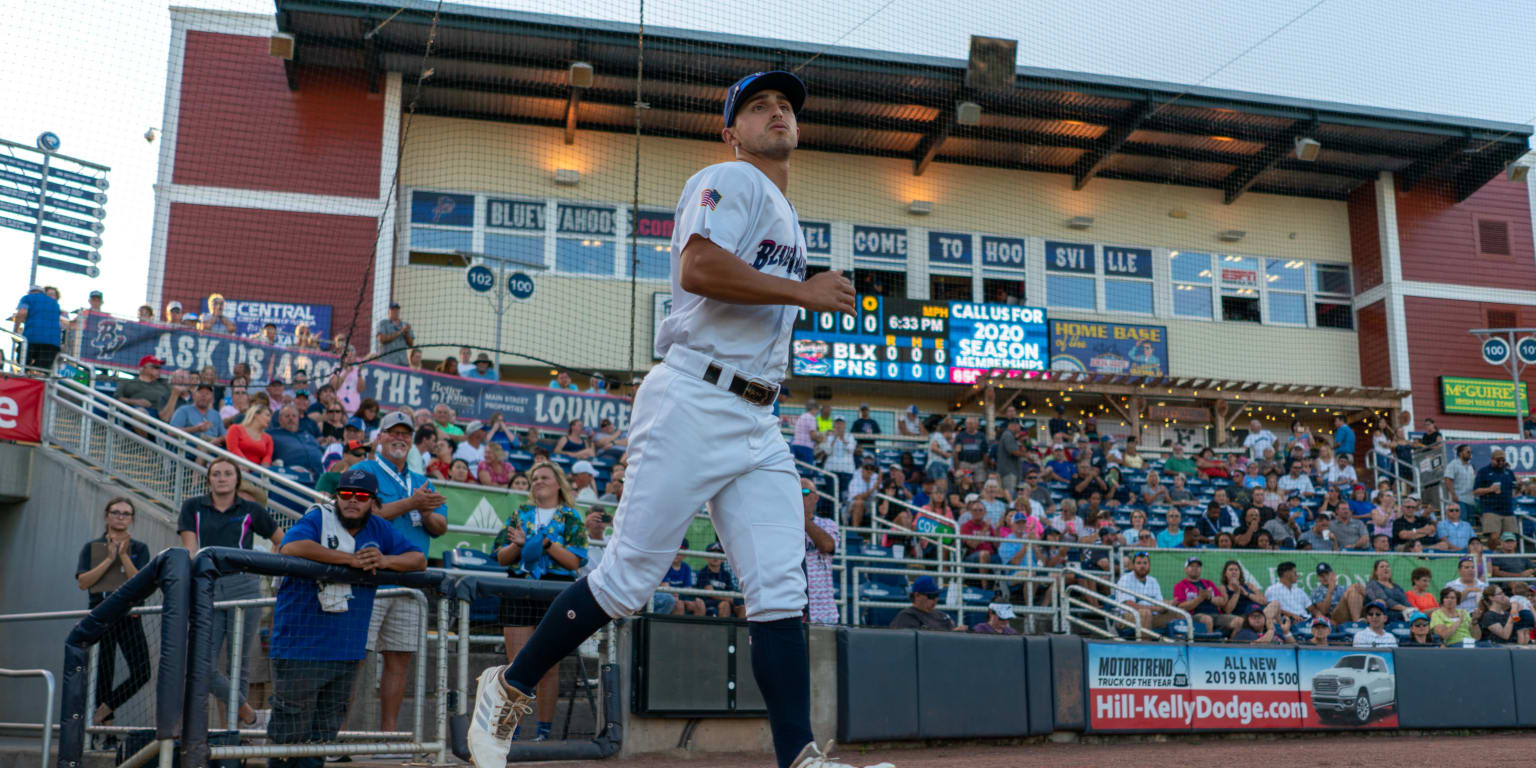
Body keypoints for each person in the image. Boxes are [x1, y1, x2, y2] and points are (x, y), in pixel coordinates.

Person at [468, 70, 868, 768]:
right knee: (626, 581)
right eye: (758, 106)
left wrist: (792, 297)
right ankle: (508, 686)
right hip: (694, 395)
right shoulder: (730, 179)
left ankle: (800, 757)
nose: (777, 113)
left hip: (758, 420)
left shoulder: (784, 214)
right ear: (730, 131)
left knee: (780, 589)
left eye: (785, 106)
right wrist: (801, 289)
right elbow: (699, 268)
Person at [267, 469, 426, 768]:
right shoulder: (318, 517)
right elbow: (292, 546)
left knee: (322, 737)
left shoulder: (379, 527)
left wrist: (385, 561)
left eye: (362, 496)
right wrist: (352, 560)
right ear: (336, 496)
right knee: (287, 739)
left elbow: (418, 559)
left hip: (346, 650)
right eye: (346, 494)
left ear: (373, 502)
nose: (353, 500)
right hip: (299, 648)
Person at [352, 411, 448, 736]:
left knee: (399, 658)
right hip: (369, 577)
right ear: (379, 437)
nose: (400, 438)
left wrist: (424, 508)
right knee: (354, 657)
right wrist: (412, 503)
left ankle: (388, 737)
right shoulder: (364, 471)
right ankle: (333, 736)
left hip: (410, 583)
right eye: (393, 432)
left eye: (405, 434)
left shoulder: (422, 481)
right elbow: (366, 512)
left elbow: (440, 527)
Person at [178, 459, 282, 726]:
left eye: (227, 474)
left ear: (237, 479)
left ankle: (233, 733)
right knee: (201, 664)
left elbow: (282, 541)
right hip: (207, 586)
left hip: (243, 585)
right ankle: (248, 714)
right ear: (208, 479)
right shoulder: (193, 507)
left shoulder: (250, 509)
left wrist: (265, 569)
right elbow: (190, 551)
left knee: (239, 663)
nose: (221, 478)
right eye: (216, 474)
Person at [491, 461, 588, 741]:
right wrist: (519, 545)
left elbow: (574, 561)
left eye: (544, 477)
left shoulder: (571, 517)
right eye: (534, 478)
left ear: (558, 483)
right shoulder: (520, 513)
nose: (538, 482)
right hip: (519, 588)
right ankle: (512, 731)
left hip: (555, 590)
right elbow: (501, 557)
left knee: (548, 666)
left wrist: (545, 545)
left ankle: (544, 731)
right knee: (516, 665)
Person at [76, 497, 152, 726]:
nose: (121, 517)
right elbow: (83, 582)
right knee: (102, 675)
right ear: (107, 515)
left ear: (132, 519)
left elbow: (142, 582)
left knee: (142, 672)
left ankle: (101, 714)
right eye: (116, 512)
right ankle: (105, 731)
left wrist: (124, 556)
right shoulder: (92, 547)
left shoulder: (140, 548)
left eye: (126, 513)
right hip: (101, 616)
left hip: (129, 617)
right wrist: (109, 559)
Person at [802, 477, 839, 625]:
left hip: (822, 612)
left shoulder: (827, 524)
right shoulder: (783, 527)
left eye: (804, 492)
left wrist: (801, 517)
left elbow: (827, 546)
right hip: (791, 609)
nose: (799, 496)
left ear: (816, 498)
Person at [1115, 552, 1172, 635]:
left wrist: (1167, 605)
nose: (1142, 566)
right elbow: (1129, 605)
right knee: (1145, 613)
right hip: (1126, 617)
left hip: (1152, 616)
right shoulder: (1125, 579)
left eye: (1145, 563)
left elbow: (1159, 603)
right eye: (1139, 563)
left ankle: (1179, 646)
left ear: (1149, 565)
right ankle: (1145, 646)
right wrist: (1156, 609)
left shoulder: (1153, 581)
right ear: (1133, 565)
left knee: (1178, 613)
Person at [268, 405, 324, 480]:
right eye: (287, 416)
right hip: (293, 476)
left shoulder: (307, 434)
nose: (291, 418)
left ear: (298, 419)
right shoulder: (272, 434)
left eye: (294, 416)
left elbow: (322, 451)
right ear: (279, 420)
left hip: (320, 474)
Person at [13, 285, 62, 370]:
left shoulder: (27, 298)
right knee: (41, 371)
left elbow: (22, 313)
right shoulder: (55, 303)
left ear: (30, 292)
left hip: (32, 339)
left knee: (22, 365)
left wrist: (15, 330)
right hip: (52, 343)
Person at [1473, 449, 1519, 539]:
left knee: (1511, 538)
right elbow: (1475, 491)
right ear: (1492, 459)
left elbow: (1514, 489)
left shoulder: (1509, 472)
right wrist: (1490, 489)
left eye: (1503, 460)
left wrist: (1520, 486)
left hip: (1508, 510)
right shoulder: (1484, 471)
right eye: (1498, 460)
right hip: (1490, 509)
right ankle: (1492, 552)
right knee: (1494, 537)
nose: (1501, 462)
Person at [1172, 557, 1224, 633]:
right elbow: (1181, 606)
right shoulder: (1180, 586)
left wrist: (1210, 598)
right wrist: (1200, 598)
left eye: (1197, 566)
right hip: (1194, 615)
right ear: (1186, 569)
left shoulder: (1208, 583)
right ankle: (1208, 643)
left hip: (1215, 614)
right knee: (1207, 620)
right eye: (1192, 566)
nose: (1195, 568)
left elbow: (1222, 601)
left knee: (1238, 621)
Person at [889, 575, 958, 631]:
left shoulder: (943, 616)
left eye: (937, 595)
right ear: (917, 595)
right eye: (931, 596)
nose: (936, 599)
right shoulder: (907, 616)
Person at [1444, 444, 1479, 520]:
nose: (1470, 454)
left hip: (1471, 500)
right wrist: (1453, 494)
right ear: (1460, 453)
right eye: (1468, 452)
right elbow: (1447, 480)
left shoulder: (1470, 467)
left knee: (1471, 524)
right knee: (1461, 521)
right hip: (1459, 499)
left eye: (1471, 452)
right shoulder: (1453, 464)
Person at [375, 302, 413, 366]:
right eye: (393, 310)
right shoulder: (383, 323)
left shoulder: (405, 324)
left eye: (397, 310)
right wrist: (401, 331)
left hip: (403, 363)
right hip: (387, 362)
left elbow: (411, 344)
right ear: (388, 312)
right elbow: (381, 339)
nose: (395, 312)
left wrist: (407, 332)